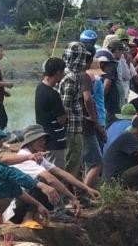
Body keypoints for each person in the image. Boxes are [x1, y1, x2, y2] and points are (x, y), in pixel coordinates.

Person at [0, 125, 100, 226]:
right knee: (44, 181)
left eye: (43, 139)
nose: (43, 142)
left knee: (54, 177)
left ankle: (37, 214)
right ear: (30, 141)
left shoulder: (37, 156)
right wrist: (72, 197)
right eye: (39, 140)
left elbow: (60, 172)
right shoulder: (24, 156)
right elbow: (50, 179)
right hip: (16, 208)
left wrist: (86, 188)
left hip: (24, 202)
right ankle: (30, 216)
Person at [58, 42, 90, 179]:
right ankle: (68, 197)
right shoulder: (71, 78)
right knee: (72, 164)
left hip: (73, 127)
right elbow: (65, 106)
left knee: (73, 163)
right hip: (72, 128)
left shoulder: (64, 74)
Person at [102, 116, 138, 190]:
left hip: (111, 178)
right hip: (114, 180)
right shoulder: (129, 137)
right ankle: (135, 190)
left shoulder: (127, 136)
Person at [35, 57, 68, 168]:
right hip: (55, 141)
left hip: (44, 138)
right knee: (56, 173)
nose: (63, 75)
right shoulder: (53, 94)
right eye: (63, 72)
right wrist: (66, 111)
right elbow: (61, 120)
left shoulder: (39, 88)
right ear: (58, 72)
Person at [96, 42, 123, 123]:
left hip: (109, 100)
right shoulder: (110, 64)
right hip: (109, 100)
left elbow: (106, 84)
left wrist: (99, 99)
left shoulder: (109, 65)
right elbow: (106, 84)